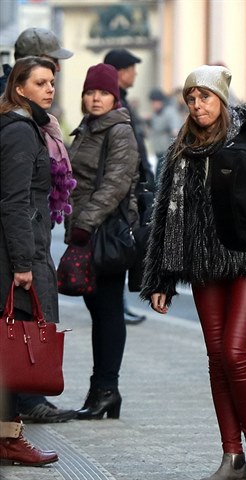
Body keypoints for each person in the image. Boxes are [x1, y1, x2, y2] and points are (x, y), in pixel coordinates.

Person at [141, 65, 246, 480]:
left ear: (222, 99)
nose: (197, 106)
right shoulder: (181, 147)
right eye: (191, 99)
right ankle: (232, 459)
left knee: (234, 352)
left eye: (205, 97)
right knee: (216, 359)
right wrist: (160, 279)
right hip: (202, 263)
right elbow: (164, 216)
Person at [0, 28, 76, 425]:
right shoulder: (19, 131)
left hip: (29, 242)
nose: (50, 88)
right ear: (20, 88)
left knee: (17, 335)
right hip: (20, 249)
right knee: (16, 335)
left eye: (52, 82)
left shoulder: (32, 126)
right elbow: (14, 201)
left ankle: (12, 432)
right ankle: (12, 432)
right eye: (42, 83)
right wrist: (22, 263)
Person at [66, 63, 140, 419]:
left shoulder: (119, 130)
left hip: (104, 234)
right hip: (87, 232)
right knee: (99, 311)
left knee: (108, 312)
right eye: (90, 92)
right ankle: (102, 391)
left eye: (103, 93)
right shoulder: (87, 129)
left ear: (115, 97)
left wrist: (85, 223)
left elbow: (117, 182)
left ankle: (106, 391)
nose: (96, 98)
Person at [104, 47, 153, 325]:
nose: (135, 73)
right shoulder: (115, 103)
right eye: (132, 69)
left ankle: (120, 303)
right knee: (123, 243)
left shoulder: (121, 100)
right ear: (122, 72)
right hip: (125, 188)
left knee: (129, 244)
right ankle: (117, 304)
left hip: (132, 184)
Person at [146, 87, 183, 180]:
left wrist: (173, 131)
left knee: (160, 179)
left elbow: (176, 129)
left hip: (167, 153)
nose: (153, 105)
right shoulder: (156, 113)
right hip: (159, 151)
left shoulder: (169, 112)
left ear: (160, 101)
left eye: (155, 102)